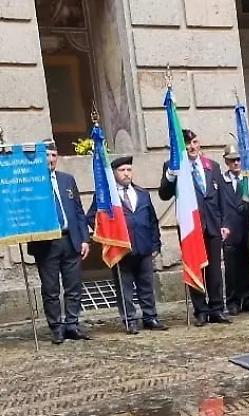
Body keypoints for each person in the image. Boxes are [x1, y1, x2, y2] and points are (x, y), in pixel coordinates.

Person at [160, 129, 230, 326]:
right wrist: (171, 175)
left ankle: (217, 308)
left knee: (215, 270)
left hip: (214, 226)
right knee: (195, 266)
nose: (192, 147)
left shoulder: (212, 166)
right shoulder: (174, 166)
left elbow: (222, 197)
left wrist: (225, 223)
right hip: (192, 227)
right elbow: (164, 194)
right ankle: (201, 310)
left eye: (195, 142)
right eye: (188, 144)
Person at [90, 156, 166, 334]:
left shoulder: (142, 193)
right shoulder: (107, 197)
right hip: (121, 249)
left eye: (128, 170)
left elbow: (152, 220)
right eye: (121, 170)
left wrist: (156, 245)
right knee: (125, 289)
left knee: (146, 285)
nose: (126, 174)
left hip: (144, 247)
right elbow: (92, 217)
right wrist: (108, 236)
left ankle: (150, 317)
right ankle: (130, 320)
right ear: (114, 173)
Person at [27, 141, 90, 344]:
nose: (51, 160)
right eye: (46, 155)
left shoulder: (67, 180)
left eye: (54, 155)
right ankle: (56, 327)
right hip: (47, 244)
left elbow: (79, 211)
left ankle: (72, 324)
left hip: (70, 240)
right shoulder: (31, 183)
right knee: (51, 289)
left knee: (74, 286)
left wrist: (84, 239)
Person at [220, 144, 249, 315]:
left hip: (247, 228)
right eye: (232, 160)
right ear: (226, 162)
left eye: (238, 159)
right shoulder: (221, 181)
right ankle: (233, 301)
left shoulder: (248, 180)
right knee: (232, 269)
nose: (236, 163)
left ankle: (248, 298)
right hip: (229, 230)